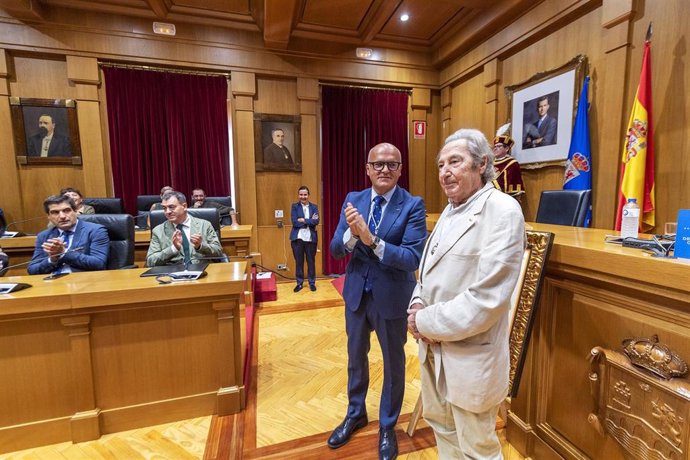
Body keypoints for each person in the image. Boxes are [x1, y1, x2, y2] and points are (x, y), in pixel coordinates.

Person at [407, 129, 525, 459]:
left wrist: (422, 322)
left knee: (477, 449)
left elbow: (486, 300)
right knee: (443, 431)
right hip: (434, 353)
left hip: (470, 358)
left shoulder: (502, 210)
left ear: (481, 165)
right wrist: (417, 299)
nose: (445, 171)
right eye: (441, 164)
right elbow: (428, 270)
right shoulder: (450, 208)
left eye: (455, 162)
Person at [328, 143, 427, 459]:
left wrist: (373, 241)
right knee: (355, 357)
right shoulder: (353, 200)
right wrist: (353, 236)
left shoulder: (412, 205)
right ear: (367, 168)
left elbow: (412, 258)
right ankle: (356, 413)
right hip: (356, 292)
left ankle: (387, 425)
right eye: (378, 164)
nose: (384, 169)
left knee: (393, 363)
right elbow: (334, 249)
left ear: (400, 170)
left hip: (392, 296)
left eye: (391, 164)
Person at [27, 194, 110, 275]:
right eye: (55, 212)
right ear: (48, 216)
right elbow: (32, 270)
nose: (62, 216)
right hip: (52, 284)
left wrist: (64, 253)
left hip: (84, 283)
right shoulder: (44, 236)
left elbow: (99, 263)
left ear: (76, 211)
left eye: (66, 210)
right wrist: (52, 260)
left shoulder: (95, 230)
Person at [146, 191, 223, 267]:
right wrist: (173, 249)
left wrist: (200, 246)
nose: (167, 212)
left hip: (202, 270)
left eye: (171, 207)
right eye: (164, 208)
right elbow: (150, 261)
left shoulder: (205, 225)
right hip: (172, 273)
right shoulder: (158, 230)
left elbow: (218, 252)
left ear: (184, 206)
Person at [290, 185, 319, 292]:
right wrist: (309, 221)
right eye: (301, 194)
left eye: (305, 194)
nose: (303, 197)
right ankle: (299, 283)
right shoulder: (294, 207)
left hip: (311, 239)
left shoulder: (314, 207)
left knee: (311, 261)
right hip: (298, 239)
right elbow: (294, 222)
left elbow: (316, 221)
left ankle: (312, 282)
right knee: (299, 261)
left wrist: (303, 220)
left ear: (308, 195)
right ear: (298, 195)